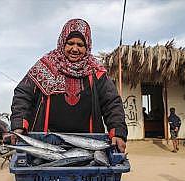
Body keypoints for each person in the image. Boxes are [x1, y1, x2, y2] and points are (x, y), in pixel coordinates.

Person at [10, 19, 127, 152]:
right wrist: (19, 124)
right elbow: (23, 95)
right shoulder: (45, 66)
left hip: (89, 145)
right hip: (45, 144)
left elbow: (112, 103)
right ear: (62, 43)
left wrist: (118, 132)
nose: (75, 49)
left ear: (87, 46)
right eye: (70, 43)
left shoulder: (97, 72)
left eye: (80, 44)